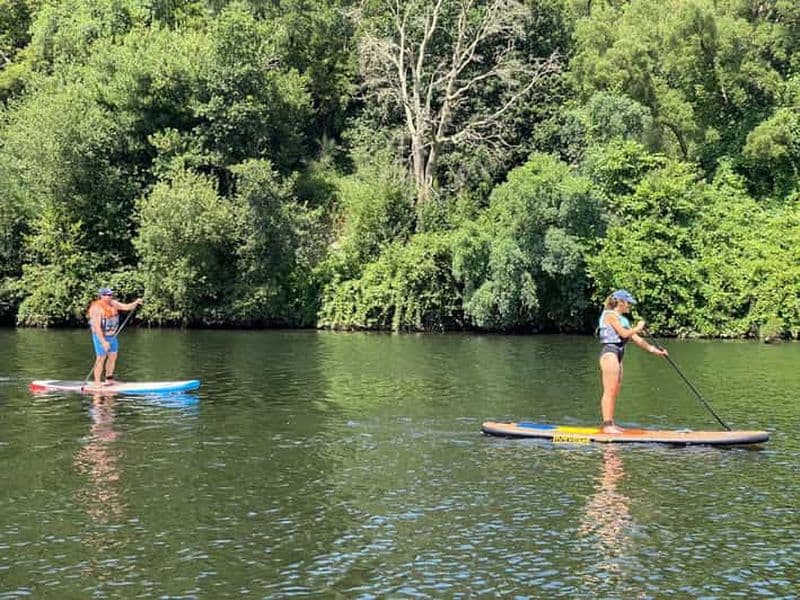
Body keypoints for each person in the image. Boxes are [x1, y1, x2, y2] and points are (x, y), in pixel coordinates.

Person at [598, 289, 667, 433]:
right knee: (609, 391)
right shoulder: (610, 315)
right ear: (620, 302)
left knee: (615, 391)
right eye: (628, 303)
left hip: (619, 354)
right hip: (610, 353)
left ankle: (612, 423)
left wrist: (655, 351)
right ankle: (607, 426)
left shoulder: (623, 320)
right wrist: (638, 327)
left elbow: (636, 339)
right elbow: (624, 334)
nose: (630, 306)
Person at [87, 287, 142, 387]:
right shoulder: (96, 308)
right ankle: (97, 382)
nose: (110, 296)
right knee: (101, 358)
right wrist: (103, 342)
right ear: (102, 296)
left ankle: (109, 379)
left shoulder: (113, 303)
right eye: (108, 295)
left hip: (112, 336)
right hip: (101, 337)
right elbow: (97, 327)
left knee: (113, 357)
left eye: (111, 295)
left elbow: (127, 307)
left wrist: (136, 302)